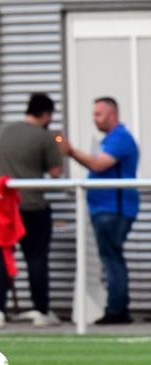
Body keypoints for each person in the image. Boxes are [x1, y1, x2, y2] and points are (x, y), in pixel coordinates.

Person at [0, 93, 63, 328]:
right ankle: (40, 310)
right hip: (32, 205)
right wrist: (63, 149)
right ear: (47, 114)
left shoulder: (5, 130)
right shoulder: (46, 137)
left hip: (0, 205)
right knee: (36, 259)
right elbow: (56, 172)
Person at [59, 97, 138, 324]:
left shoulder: (120, 138)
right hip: (105, 208)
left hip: (113, 209)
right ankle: (117, 308)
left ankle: (117, 310)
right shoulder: (111, 139)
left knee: (112, 258)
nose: (95, 119)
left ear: (113, 114)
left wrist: (71, 151)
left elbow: (98, 164)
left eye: (99, 114)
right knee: (112, 257)